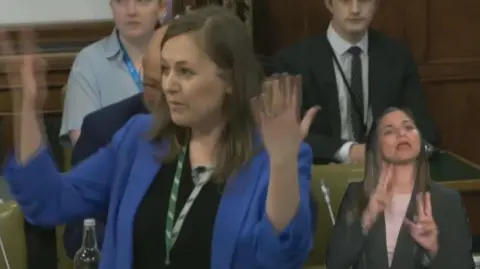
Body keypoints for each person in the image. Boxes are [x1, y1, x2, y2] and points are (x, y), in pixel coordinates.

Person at [1, 6, 319, 269]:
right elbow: (48, 202)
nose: (169, 85)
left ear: (230, 81)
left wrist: (282, 163)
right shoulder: (137, 140)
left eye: (185, 72)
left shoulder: (276, 157)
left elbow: (280, 257)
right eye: (165, 70)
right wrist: (28, 107)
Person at [273, 0, 439, 164]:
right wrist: (350, 151)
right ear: (329, 4)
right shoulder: (293, 62)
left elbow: (425, 131)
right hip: (323, 171)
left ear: (376, 4)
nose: (355, 9)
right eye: (345, 1)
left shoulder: (398, 56)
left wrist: (400, 147)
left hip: (389, 168)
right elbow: (286, 135)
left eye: (364, 1)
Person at [62, 25, 166, 259]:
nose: (171, 89)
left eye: (185, 72)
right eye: (152, 83)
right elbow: (78, 232)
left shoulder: (230, 139)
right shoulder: (108, 129)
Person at [325, 107, 473, 269]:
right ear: (376, 146)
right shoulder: (357, 194)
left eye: (408, 127)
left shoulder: (447, 200)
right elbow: (335, 263)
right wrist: (366, 219)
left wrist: (433, 250)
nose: (402, 134)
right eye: (389, 131)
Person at [60, 0, 166, 145]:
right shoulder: (89, 61)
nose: (131, 11)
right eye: (121, 1)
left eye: (142, 1)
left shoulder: (181, 56)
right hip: (113, 164)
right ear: (111, 6)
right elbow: (83, 143)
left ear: (161, 7)